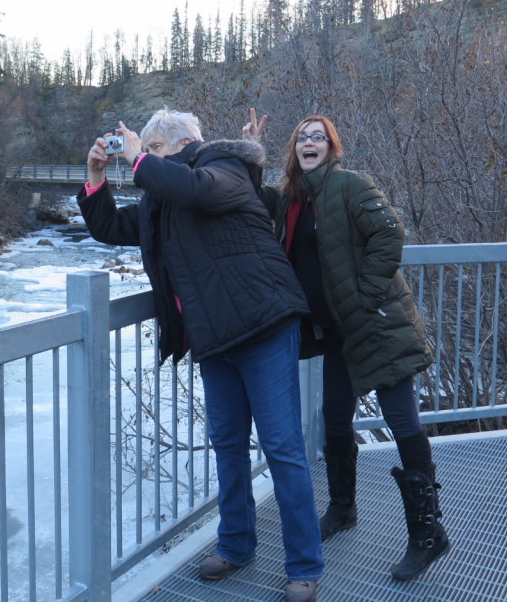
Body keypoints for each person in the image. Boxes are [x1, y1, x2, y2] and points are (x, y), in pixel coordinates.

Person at [77, 109, 324, 602]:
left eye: (153, 151)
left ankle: (304, 566)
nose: (144, 165)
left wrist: (140, 158)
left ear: (178, 146)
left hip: (264, 324)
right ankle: (235, 545)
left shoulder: (223, 165)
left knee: (281, 447)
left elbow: (197, 189)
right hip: (215, 338)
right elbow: (108, 227)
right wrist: (96, 174)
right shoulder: (158, 203)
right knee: (227, 444)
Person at [244, 108, 449, 581]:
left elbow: (389, 234)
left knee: (402, 423)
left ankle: (427, 534)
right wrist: (252, 150)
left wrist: (364, 297)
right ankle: (342, 509)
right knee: (334, 416)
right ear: (295, 151)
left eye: (319, 137)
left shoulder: (351, 185)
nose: (309, 143)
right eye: (302, 138)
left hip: (377, 325)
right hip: (336, 333)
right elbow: (250, 198)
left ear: (331, 148)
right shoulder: (292, 199)